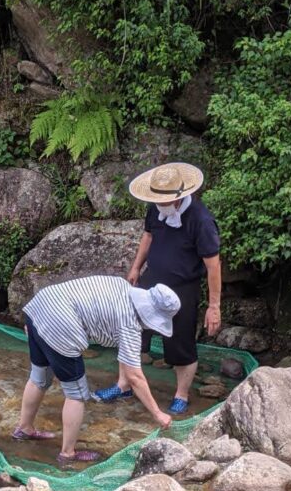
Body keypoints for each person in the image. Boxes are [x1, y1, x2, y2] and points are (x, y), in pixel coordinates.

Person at [12, 275, 181, 464]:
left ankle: (24, 429)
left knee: (39, 377)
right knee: (76, 394)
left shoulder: (122, 285)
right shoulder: (129, 322)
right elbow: (135, 377)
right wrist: (158, 413)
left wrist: (37, 324)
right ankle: (67, 454)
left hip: (41, 305)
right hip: (61, 322)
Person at [95, 162, 222, 415]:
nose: (159, 204)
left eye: (164, 200)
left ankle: (181, 394)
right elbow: (148, 236)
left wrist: (214, 306)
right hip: (151, 280)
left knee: (180, 342)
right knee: (130, 330)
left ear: (180, 196)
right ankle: (124, 385)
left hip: (183, 288)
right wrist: (135, 268)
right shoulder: (155, 209)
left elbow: (213, 265)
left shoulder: (201, 219)